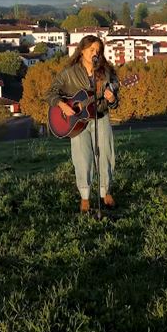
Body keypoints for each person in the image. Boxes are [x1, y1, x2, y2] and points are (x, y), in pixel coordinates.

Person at [47, 35, 120, 212]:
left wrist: (111, 99)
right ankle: (85, 197)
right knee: (82, 158)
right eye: (91, 50)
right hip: (76, 123)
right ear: (82, 50)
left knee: (106, 155)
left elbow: (114, 101)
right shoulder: (69, 73)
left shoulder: (105, 72)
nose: (95, 53)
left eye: (98, 51)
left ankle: (105, 192)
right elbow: (50, 93)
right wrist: (62, 105)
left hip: (100, 116)